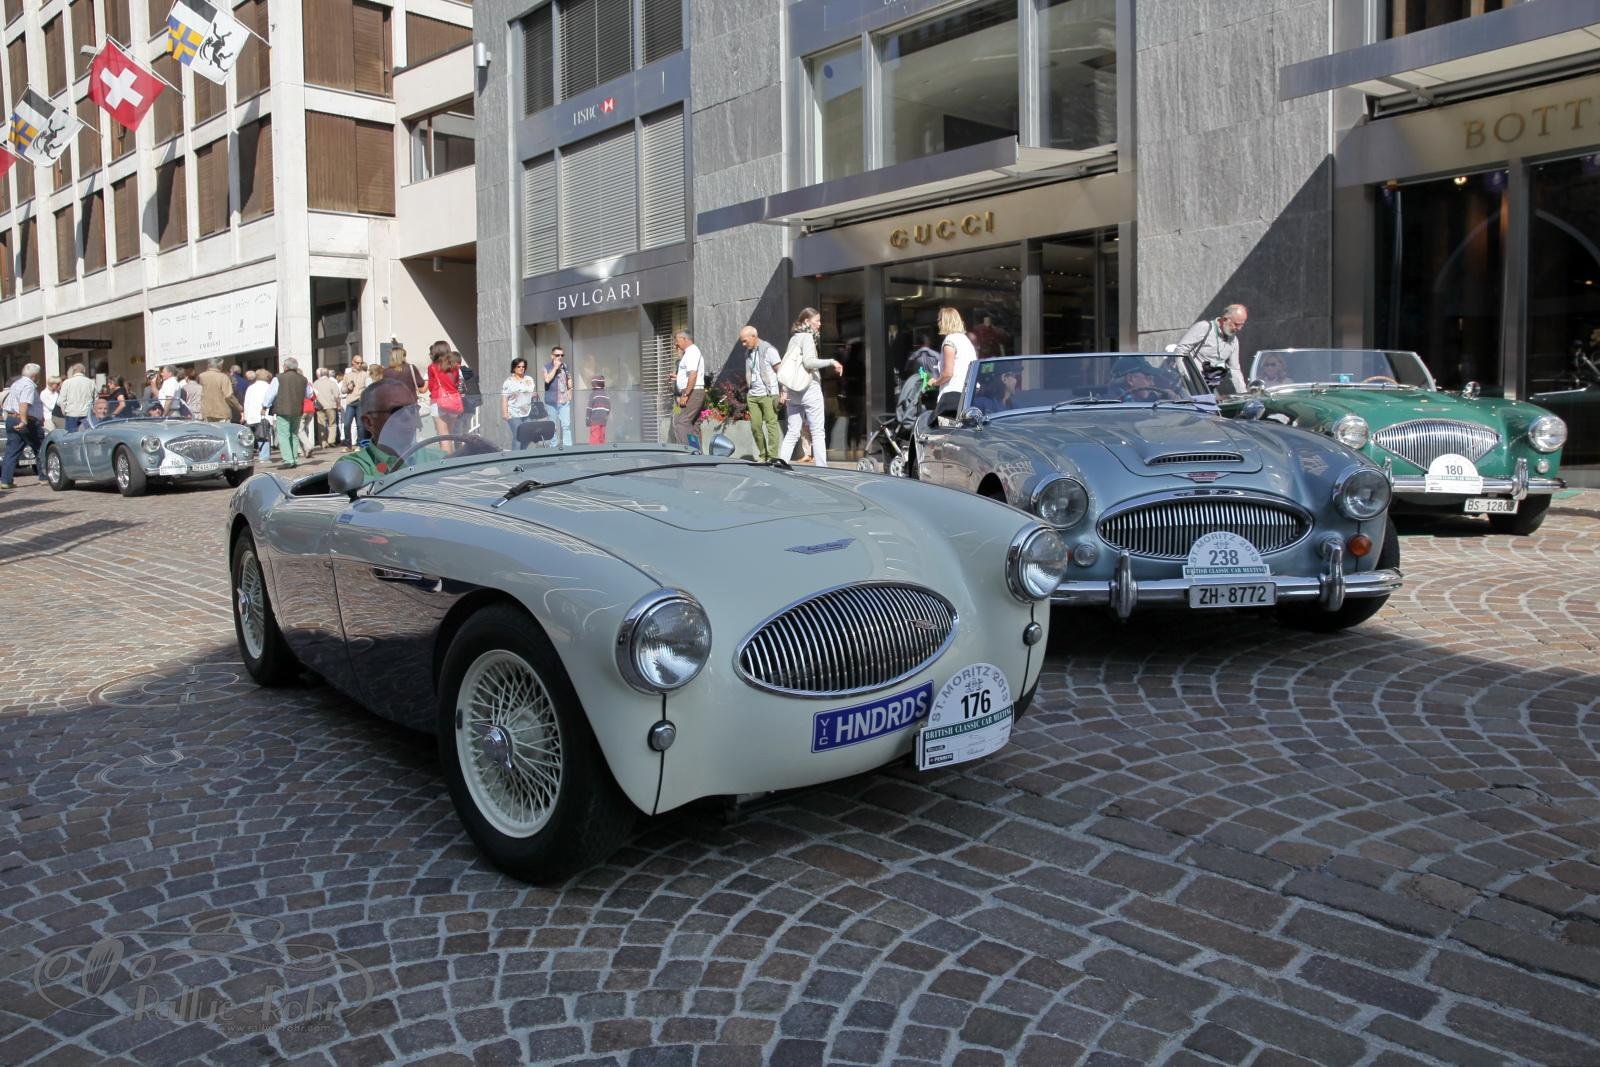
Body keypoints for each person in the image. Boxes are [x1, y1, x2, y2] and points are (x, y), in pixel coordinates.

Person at [778, 308, 842, 468]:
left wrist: (784, 390)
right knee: (818, 431)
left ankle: (781, 464)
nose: (820, 324)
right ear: (807, 321)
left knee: (793, 431)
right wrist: (831, 361)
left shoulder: (794, 338)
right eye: (817, 321)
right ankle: (822, 469)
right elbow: (809, 362)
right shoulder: (807, 338)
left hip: (793, 391)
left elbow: (788, 365)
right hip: (809, 388)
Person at [1176, 303, 1248, 396]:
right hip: (1189, 384)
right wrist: (1185, 376)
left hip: (1209, 387)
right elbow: (1180, 350)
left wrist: (1244, 395)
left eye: (1242, 325)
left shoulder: (1233, 341)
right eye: (1236, 324)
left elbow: (1235, 369)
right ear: (1225, 319)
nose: (1239, 329)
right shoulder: (1204, 327)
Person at [740, 325, 783, 463]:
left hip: (768, 394)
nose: (743, 344)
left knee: (771, 424)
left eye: (745, 341)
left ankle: (772, 456)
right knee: (755, 426)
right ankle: (763, 454)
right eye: (742, 341)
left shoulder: (769, 350)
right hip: (753, 395)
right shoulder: (748, 353)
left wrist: (784, 391)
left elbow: (781, 371)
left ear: (754, 336)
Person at [1, 363, 44, 489]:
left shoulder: (16, 383)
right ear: (35, 375)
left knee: (12, 451)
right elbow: (23, 404)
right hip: (25, 420)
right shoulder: (28, 385)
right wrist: (24, 421)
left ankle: (5, 480)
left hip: (11, 418)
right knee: (41, 447)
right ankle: (45, 477)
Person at [932, 306, 978, 410]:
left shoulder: (950, 341)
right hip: (969, 392)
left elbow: (948, 374)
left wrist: (935, 382)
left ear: (944, 321)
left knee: (944, 421)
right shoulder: (965, 340)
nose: (938, 323)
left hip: (953, 394)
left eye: (939, 320)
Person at [670, 331, 705, 448]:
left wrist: (685, 394)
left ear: (685, 339)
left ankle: (686, 450)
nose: (676, 346)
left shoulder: (691, 353)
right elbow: (685, 377)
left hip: (686, 395)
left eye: (677, 342)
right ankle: (695, 450)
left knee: (680, 422)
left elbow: (693, 375)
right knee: (682, 421)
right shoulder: (681, 360)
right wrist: (676, 377)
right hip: (677, 398)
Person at [273, 358, 309, 468]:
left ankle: (288, 460)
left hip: (283, 409)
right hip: (297, 410)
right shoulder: (303, 379)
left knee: (283, 434)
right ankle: (294, 459)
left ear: (286, 367)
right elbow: (309, 394)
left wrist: (265, 406)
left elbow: (271, 393)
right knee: (294, 434)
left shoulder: (279, 378)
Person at [427, 341, 463, 445]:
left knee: (443, 437)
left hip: (438, 400)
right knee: (449, 436)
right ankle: (452, 455)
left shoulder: (432, 367)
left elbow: (431, 387)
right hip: (453, 402)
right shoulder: (455, 366)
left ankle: (446, 456)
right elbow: (456, 382)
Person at [542, 345, 574, 447]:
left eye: (562, 355)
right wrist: (555, 367)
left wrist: (570, 390)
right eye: (557, 355)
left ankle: (568, 447)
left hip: (564, 401)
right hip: (551, 402)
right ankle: (554, 446)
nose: (560, 357)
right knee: (552, 426)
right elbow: (547, 379)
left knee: (566, 425)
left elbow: (569, 378)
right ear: (552, 356)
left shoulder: (565, 366)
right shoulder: (546, 367)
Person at [502, 356, 538, 442]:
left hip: (528, 412)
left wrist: (534, 395)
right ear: (514, 368)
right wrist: (505, 413)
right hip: (514, 413)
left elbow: (533, 393)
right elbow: (504, 397)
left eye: (523, 366)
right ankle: (517, 451)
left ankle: (524, 451)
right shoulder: (509, 382)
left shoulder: (529, 379)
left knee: (528, 436)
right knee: (518, 436)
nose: (521, 368)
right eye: (519, 366)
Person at [340, 354, 369, 451]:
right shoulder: (348, 375)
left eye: (361, 363)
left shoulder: (365, 374)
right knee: (346, 424)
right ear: (353, 362)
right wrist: (348, 388)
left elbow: (368, 388)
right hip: (350, 402)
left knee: (360, 425)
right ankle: (348, 445)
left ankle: (360, 445)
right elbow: (342, 390)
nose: (359, 365)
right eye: (357, 363)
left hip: (360, 402)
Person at [243, 369, 274, 463]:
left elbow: (246, 402)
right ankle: (264, 457)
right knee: (264, 436)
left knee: (251, 438)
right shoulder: (269, 387)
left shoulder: (250, 388)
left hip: (251, 416)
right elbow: (271, 401)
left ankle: (249, 456)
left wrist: (246, 415)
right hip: (264, 416)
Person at [200, 358, 241, 423]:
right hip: (222, 412)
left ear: (209, 365)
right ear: (220, 365)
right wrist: (239, 407)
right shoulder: (223, 377)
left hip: (207, 412)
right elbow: (228, 396)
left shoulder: (201, 376)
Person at [312, 368, 341, 448]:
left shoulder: (315, 383)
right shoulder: (332, 383)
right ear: (328, 374)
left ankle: (323, 441)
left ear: (320, 374)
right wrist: (338, 405)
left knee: (321, 424)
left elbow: (313, 395)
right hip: (330, 405)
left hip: (319, 406)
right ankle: (331, 440)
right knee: (332, 423)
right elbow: (337, 395)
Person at [585, 374, 611, 444]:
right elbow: (609, 408)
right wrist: (606, 417)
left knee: (594, 438)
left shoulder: (593, 394)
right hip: (603, 420)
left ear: (594, 384)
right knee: (602, 438)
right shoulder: (606, 395)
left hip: (594, 420)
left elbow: (589, 408)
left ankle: (594, 450)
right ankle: (603, 450)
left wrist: (587, 420)